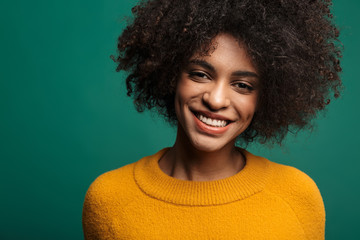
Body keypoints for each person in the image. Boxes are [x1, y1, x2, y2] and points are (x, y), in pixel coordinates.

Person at [82, 0, 342, 239]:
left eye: (242, 85)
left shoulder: (297, 196)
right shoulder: (110, 199)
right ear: (171, 74)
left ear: (265, 97)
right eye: (200, 74)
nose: (216, 100)